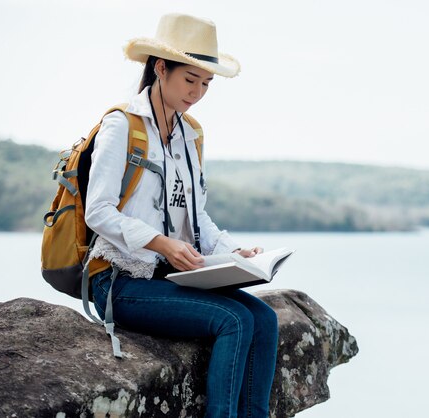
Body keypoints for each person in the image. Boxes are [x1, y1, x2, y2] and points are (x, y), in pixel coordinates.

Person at [85, 13, 278, 418]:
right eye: (190, 79)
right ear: (160, 67)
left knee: (264, 318)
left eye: (206, 84)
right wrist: (161, 243)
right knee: (234, 320)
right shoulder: (122, 125)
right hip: (119, 280)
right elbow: (97, 212)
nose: (198, 92)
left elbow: (197, 218)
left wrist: (235, 252)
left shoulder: (191, 135)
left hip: (169, 278)